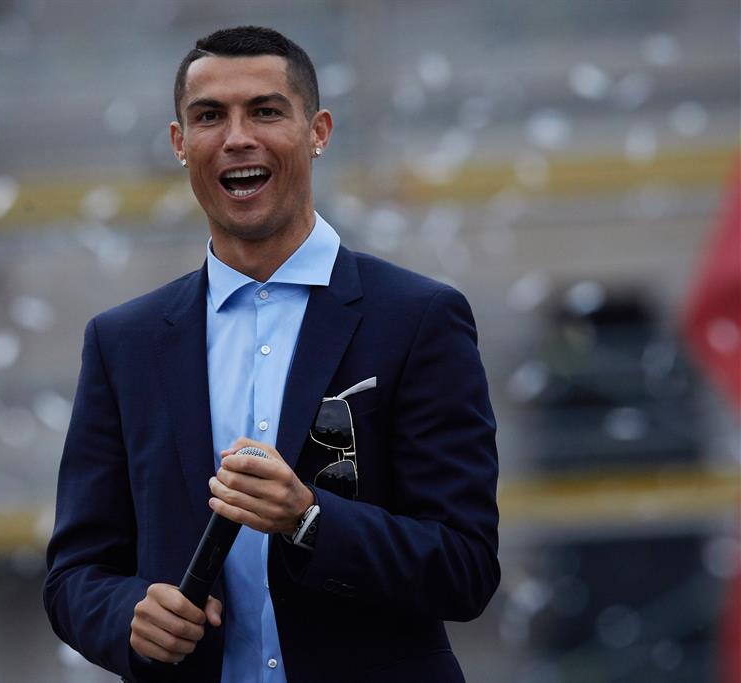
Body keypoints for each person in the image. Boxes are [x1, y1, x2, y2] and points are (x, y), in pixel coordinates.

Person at [44, 26, 500, 683]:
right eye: (209, 116)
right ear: (179, 143)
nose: (237, 138)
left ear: (318, 132)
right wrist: (128, 616)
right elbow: (75, 574)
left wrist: (309, 519)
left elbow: (465, 566)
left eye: (264, 111)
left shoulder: (418, 318)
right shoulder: (123, 342)